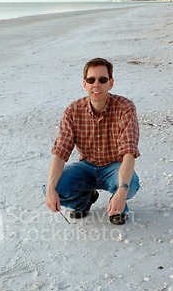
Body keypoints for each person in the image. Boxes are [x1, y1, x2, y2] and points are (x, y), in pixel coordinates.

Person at [45, 57, 140, 225]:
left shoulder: (125, 108)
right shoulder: (73, 110)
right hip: (86, 167)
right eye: (91, 80)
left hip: (114, 167)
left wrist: (122, 191)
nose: (96, 84)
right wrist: (51, 189)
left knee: (130, 184)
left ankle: (118, 206)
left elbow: (129, 152)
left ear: (110, 83)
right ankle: (84, 201)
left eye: (102, 80)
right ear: (85, 84)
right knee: (51, 188)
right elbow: (60, 151)